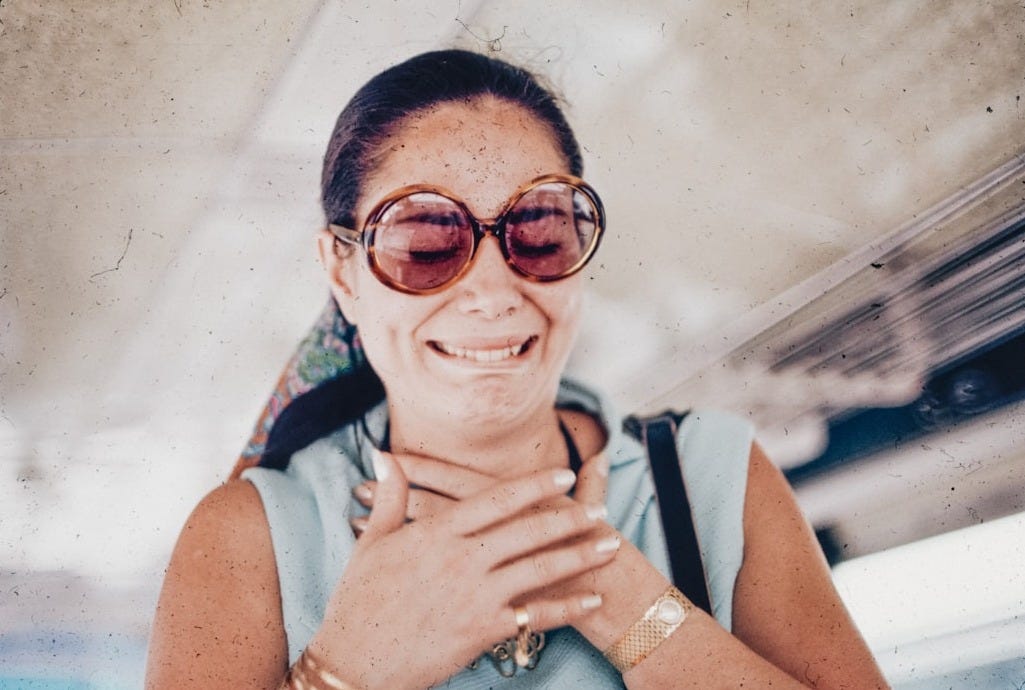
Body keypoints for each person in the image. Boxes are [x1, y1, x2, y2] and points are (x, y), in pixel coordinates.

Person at [145, 49, 889, 689]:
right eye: (427, 237)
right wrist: (347, 669)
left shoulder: (708, 478)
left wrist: (625, 603)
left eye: (536, 227)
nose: (495, 291)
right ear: (342, 270)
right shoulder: (249, 535)